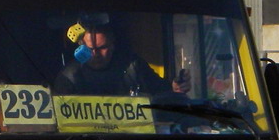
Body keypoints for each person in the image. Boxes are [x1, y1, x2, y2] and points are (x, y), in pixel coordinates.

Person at [53, 26, 190, 97]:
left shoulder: (132, 67)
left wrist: (174, 88)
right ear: (81, 47)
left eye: (102, 48)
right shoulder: (69, 77)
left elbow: (161, 91)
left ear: (113, 45)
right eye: (90, 49)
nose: (95, 54)